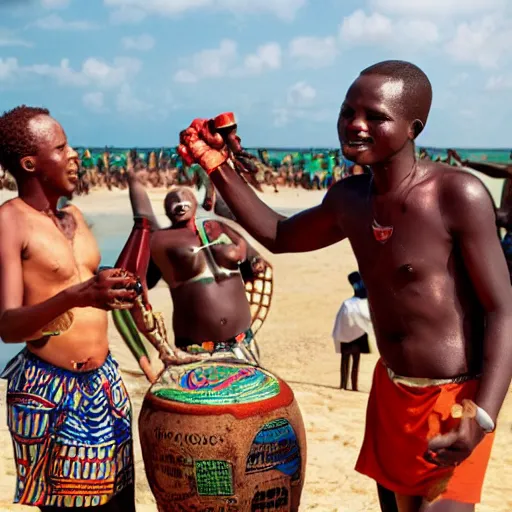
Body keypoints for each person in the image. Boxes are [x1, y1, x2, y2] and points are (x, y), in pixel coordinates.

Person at [177, 60, 512, 512]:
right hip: (393, 392)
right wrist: (213, 164)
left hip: (456, 398)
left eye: (375, 116)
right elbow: (281, 235)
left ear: (414, 127)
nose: (355, 125)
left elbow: (502, 310)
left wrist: (483, 417)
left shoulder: (457, 194)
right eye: (347, 112)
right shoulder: (349, 200)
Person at [0, 106, 138, 511]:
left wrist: (118, 288)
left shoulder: (75, 215)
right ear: (31, 164)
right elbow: (7, 326)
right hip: (52, 391)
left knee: (119, 502)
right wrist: (79, 296)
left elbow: (86, 282)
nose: (76, 154)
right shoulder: (11, 221)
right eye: (61, 148)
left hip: (105, 385)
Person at [124, 170, 268, 366]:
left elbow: (253, 258)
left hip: (242, 342)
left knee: (250, 395)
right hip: (195, 349)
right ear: (166, 210)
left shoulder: (217, 227)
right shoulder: (161, 241)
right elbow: (143, 220)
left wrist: (254, 261)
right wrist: (135, 182)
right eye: (173, 200)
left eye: (184, 196)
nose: (179, 201)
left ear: (194, 200)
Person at [448, 149, 512, 279]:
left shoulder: (509, 174)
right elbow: (503, 216)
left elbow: (499, 170)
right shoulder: (508, 181)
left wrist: (467, 163)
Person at [332, 271, 372, 391]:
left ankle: (343, 385)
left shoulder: (347, 304)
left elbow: (340, 321)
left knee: (345, 362)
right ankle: (354, 386)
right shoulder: (364, 303)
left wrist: (338, 335)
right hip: (358, 337)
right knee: (355, 363)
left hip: (346, 337)